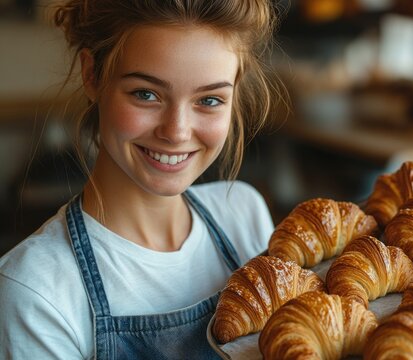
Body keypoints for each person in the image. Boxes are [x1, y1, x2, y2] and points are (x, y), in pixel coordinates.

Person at [0, 0, 285, 358]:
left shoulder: (243, 214)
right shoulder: (36, 288)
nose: (177, 132)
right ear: (93, 75)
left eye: (210, 100)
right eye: (146, 94)